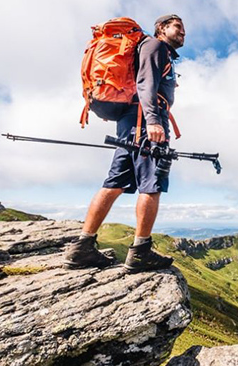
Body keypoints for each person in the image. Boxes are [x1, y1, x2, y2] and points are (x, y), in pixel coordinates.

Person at [64, 14, 186, 272]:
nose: (183, 32)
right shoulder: (155, 46)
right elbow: (146, 84)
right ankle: (141, 251)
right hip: (145, 121)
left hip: (130, 123)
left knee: (115, 182)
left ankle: (81, 248)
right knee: (152, 183)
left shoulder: (151, 48)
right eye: (178, 27)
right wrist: (154, 121)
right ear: (162, 28)